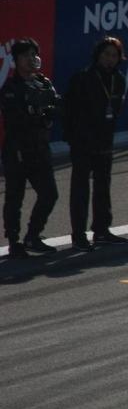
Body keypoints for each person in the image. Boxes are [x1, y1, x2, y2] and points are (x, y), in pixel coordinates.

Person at [63, 37, 127, 250]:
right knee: (80, 189)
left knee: (103, 187)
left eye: (114, 55)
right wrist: (73, 139)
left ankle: (101, 229)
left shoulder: (119, 79)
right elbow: (68, 111)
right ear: (98, 55)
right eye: (106, 54)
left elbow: (115, 110)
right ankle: (78, 234)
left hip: (105, 140)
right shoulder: (83, 77)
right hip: (82, 142)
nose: (110, 59)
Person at [1, 38, 59, 257]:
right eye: (25, 55)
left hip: (40, 147)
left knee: (50, 194)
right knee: (15, 197)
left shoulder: (44, 83)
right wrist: (35, 110)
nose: (30, 59)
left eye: (33, 54)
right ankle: (14, 240)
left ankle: (33, 235)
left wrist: (50, 110)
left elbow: (55, 109)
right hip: (17, 150)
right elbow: (15, 119)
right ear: (16, 60)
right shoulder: (10, 88)